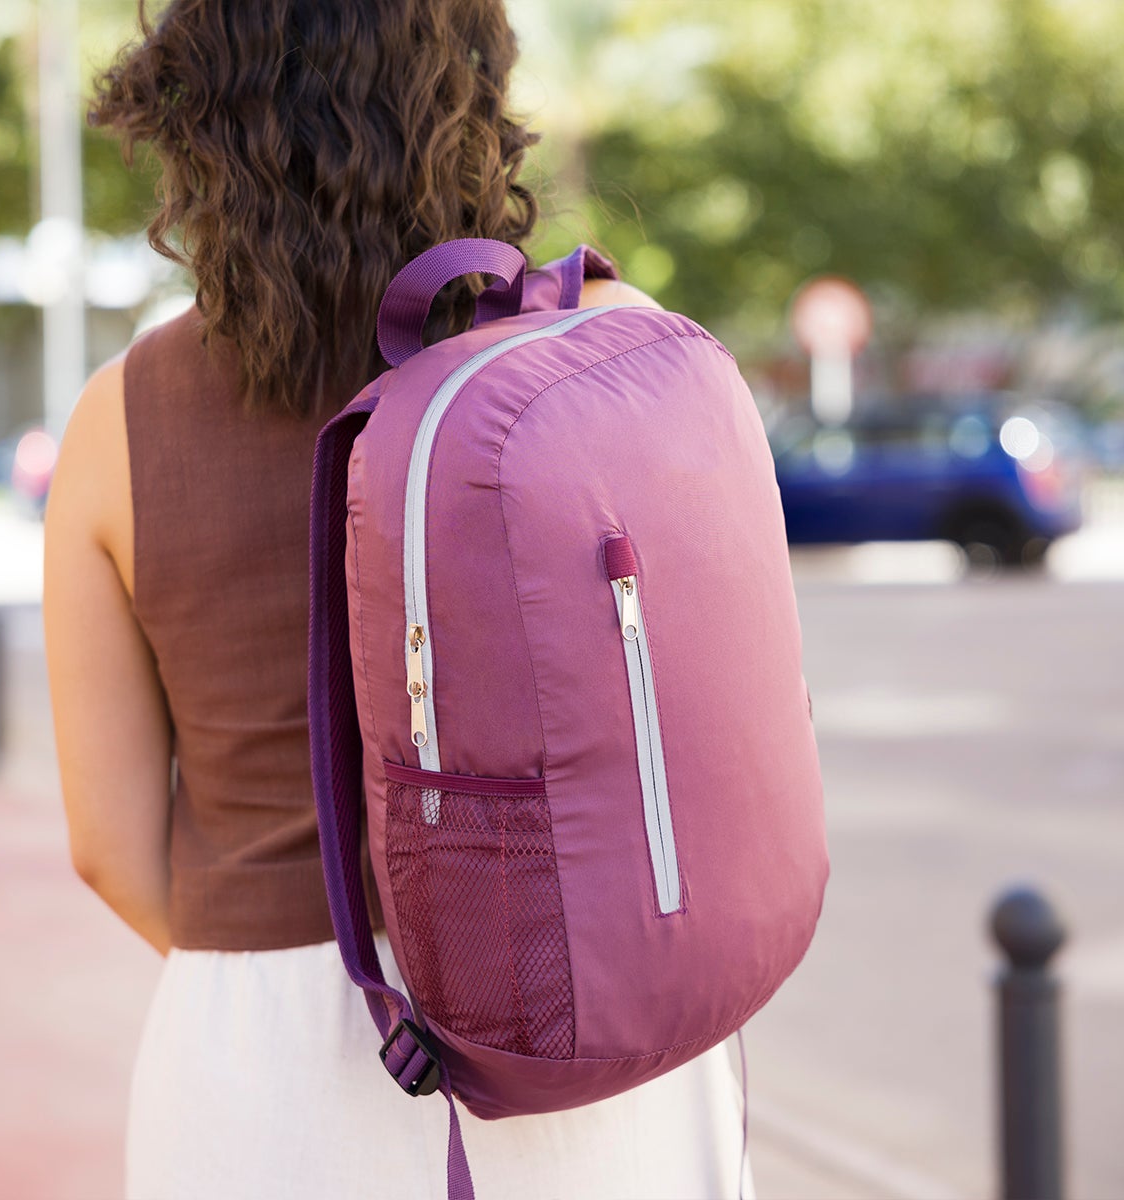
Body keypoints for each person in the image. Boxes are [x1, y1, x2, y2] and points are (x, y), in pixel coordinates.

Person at [42, 1, 754, 1195]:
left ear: (197, 122)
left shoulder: (115, 424)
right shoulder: (613, 345)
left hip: (262, 1065)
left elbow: (107, 849)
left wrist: (303, 986)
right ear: (470, 91)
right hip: (587, 1023)